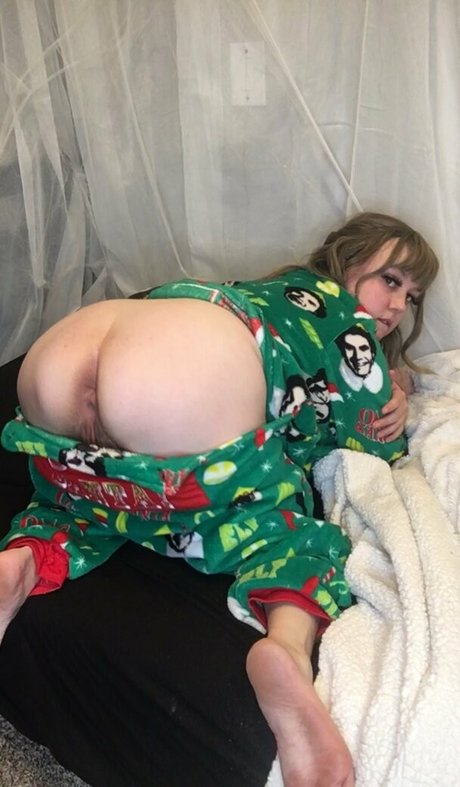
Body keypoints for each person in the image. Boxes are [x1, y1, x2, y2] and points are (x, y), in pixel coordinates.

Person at [0, 212, 439, 787]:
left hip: (64, 355)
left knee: (82, 494)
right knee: (297, 535)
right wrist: (397, 394)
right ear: (345, 261)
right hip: (170, 377)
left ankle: (23, 560)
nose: (398, 307)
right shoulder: (348, 326)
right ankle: (286, 648)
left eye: (412, 297)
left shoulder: (267, 287)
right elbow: (376, 443)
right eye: (391, 281)